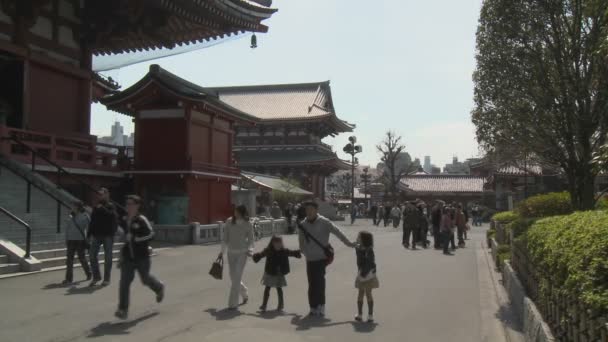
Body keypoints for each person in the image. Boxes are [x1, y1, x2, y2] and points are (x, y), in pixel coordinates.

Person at [298, 201, 356, 317]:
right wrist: (305, 252)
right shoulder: (303, 224)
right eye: (307, 209)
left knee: (319, 282)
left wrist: (349, 243)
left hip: (321, 258)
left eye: (311, 209)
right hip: (310, 259)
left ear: (316, 210)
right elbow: (301, 241)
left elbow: (337, 232)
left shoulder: (324, 222)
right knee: (311, 284)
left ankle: (321, 306)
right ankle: (313, 307)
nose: (308, 211)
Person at [115, 195, 165, 319]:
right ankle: (123, 309)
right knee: (124, 283)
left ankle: (159, 287)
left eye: (131, 203)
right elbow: (125, 238)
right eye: (127, 204)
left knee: (145, 279)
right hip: (128, 257)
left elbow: (152, 235)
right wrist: (121, 254)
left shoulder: (141, 219)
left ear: (137, 205)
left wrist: (137, 239)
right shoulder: (124, 219)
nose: (128, 206)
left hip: (141, 256)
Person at [218, 205, 255, 310]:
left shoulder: (248, 224)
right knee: (233, 276)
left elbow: (251, 239)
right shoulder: (229, 222)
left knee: (237, 276)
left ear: (242, 213)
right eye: (235, 211)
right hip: (231, 253)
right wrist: (222, 251)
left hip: (242, 253)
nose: (235, 213)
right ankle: (244, 292)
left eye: (237, 212)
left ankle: (232, 303)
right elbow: (225, 238)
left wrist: (250, 250)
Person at [252, 235, 301, 312]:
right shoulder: (268, 250)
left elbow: (292, 253)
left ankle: (281, 305)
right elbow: (261, 255)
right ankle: (264, 305)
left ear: (281, 244)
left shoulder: (284, 251)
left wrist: (298, 252)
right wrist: (256, 256)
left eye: (279, 243)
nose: (278, 245)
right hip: (270, 272)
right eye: (276, 243)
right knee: (267, 288)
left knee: (279, 289)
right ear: (272, 243)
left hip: (279, 273)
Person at [88, 188, 118, 287]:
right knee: (92, 255)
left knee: (108, 258)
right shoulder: (96, 207)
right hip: (96, 235)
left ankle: (106, 279)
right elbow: (92, 221)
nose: (99, 196)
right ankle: (96, 277)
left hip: (108, 235)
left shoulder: (111, 206)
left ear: (107, 195)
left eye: (101, 194)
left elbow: (112, 217)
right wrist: (88, 234)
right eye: (98, 194)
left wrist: (102, 208)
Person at [63, 201, 92, 284]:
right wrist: (66, 239)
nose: (72, 207)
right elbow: (67, 229)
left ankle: (88, 273)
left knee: (82, 258)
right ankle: (68, 278)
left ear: (78, 207)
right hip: (70, 240)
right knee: (69, 260)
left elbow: (89, 228)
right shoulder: (70, 216)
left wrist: (88, 239)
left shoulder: (85, 216)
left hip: (80, 240)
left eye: (73, 206)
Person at [354, 231, 378, 323]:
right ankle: (366, 315)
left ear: (364, 239)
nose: (357, 238)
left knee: (365, 293)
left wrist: (363, 273)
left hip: (365, 274)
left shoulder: (368, 250)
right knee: (365, 294)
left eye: (359, 237)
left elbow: (369, 263)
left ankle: (366, 315)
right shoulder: (362, 249)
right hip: (367, 274)